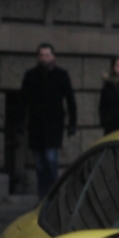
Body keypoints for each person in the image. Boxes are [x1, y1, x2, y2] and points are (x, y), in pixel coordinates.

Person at [21, 42, 77, 196]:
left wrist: (72, 123)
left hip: (54, 125)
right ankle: (43, 195)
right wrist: (20, 124)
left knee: (51, 159)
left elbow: (70, 101)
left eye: (47, 55)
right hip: (36, 125)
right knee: (39, 163)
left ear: (53, 56)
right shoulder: (31, 76)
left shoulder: (61, 75)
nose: (44, 58)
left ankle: (53, 193)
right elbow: (23, 102)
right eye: (41, 55)